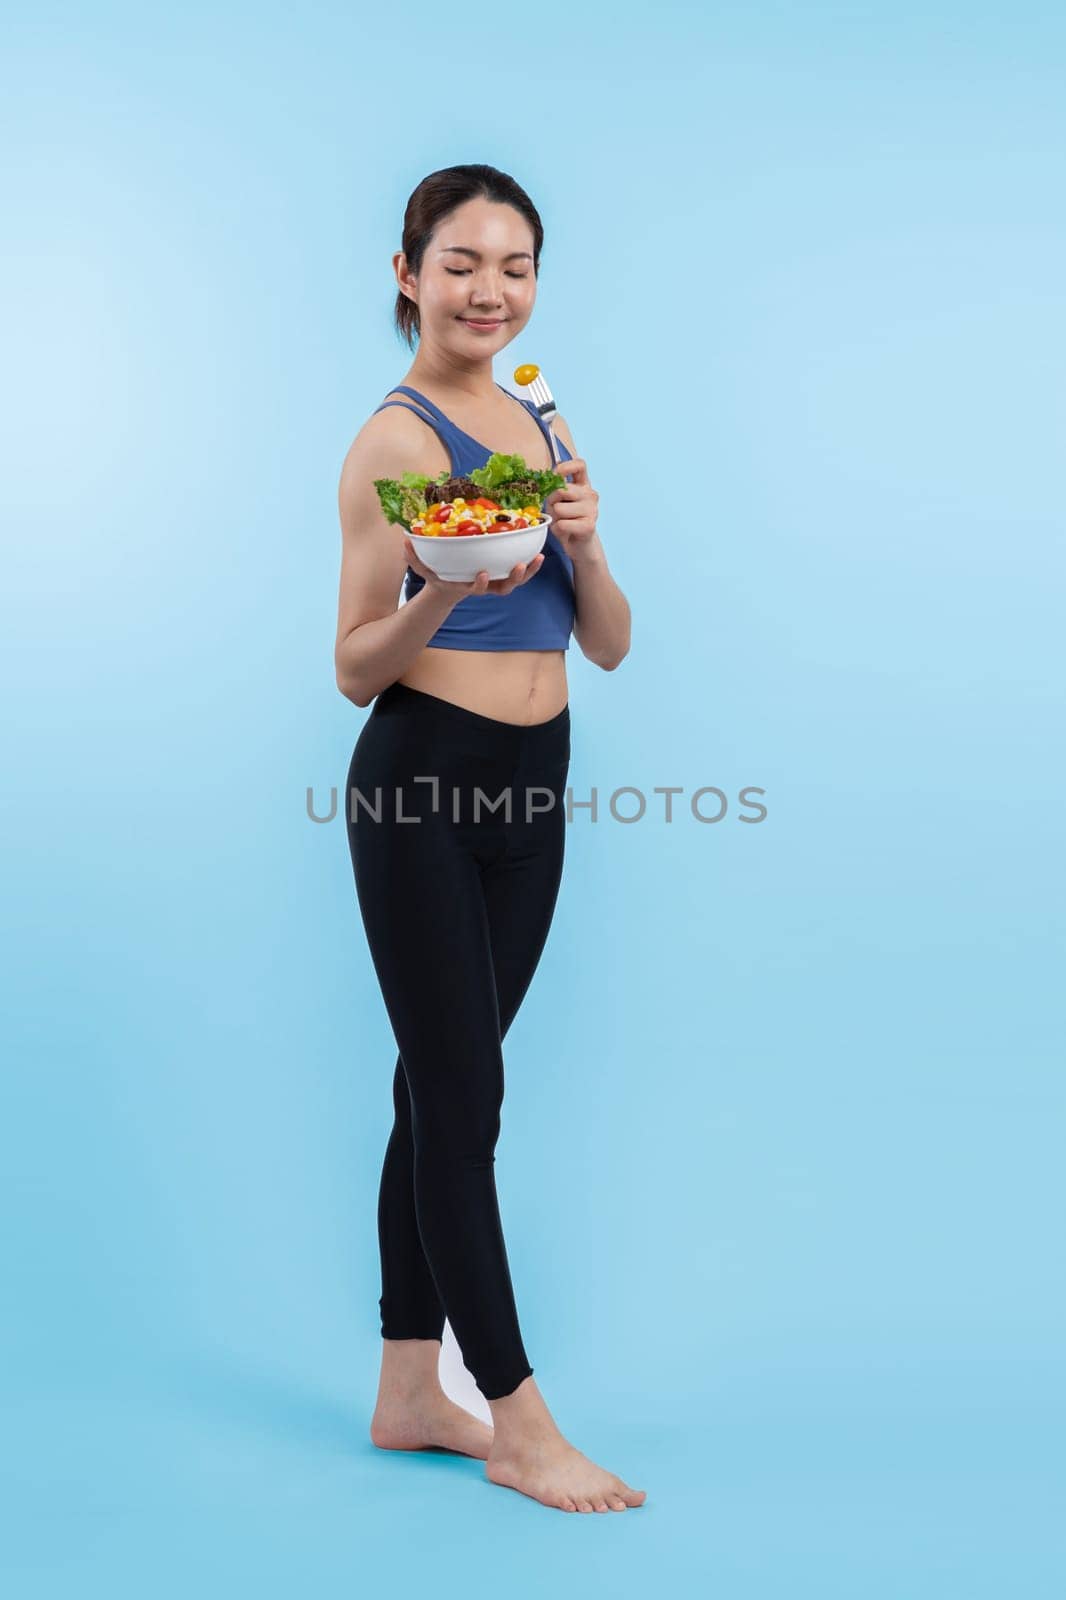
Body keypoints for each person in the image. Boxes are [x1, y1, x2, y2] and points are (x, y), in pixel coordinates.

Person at [334, 164, 642, 1514]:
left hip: (538, 783)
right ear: (408, 271)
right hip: (422, 782)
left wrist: (586, 537)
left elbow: (610, 644)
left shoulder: (541, 427)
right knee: (465, 1103)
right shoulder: (394, 445)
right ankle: (514, 1416)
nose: (489, 290)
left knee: (438, 1088)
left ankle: (410, 1394)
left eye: (513, 266)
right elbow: (354, 666)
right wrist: (439, 590)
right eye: (461, 262)